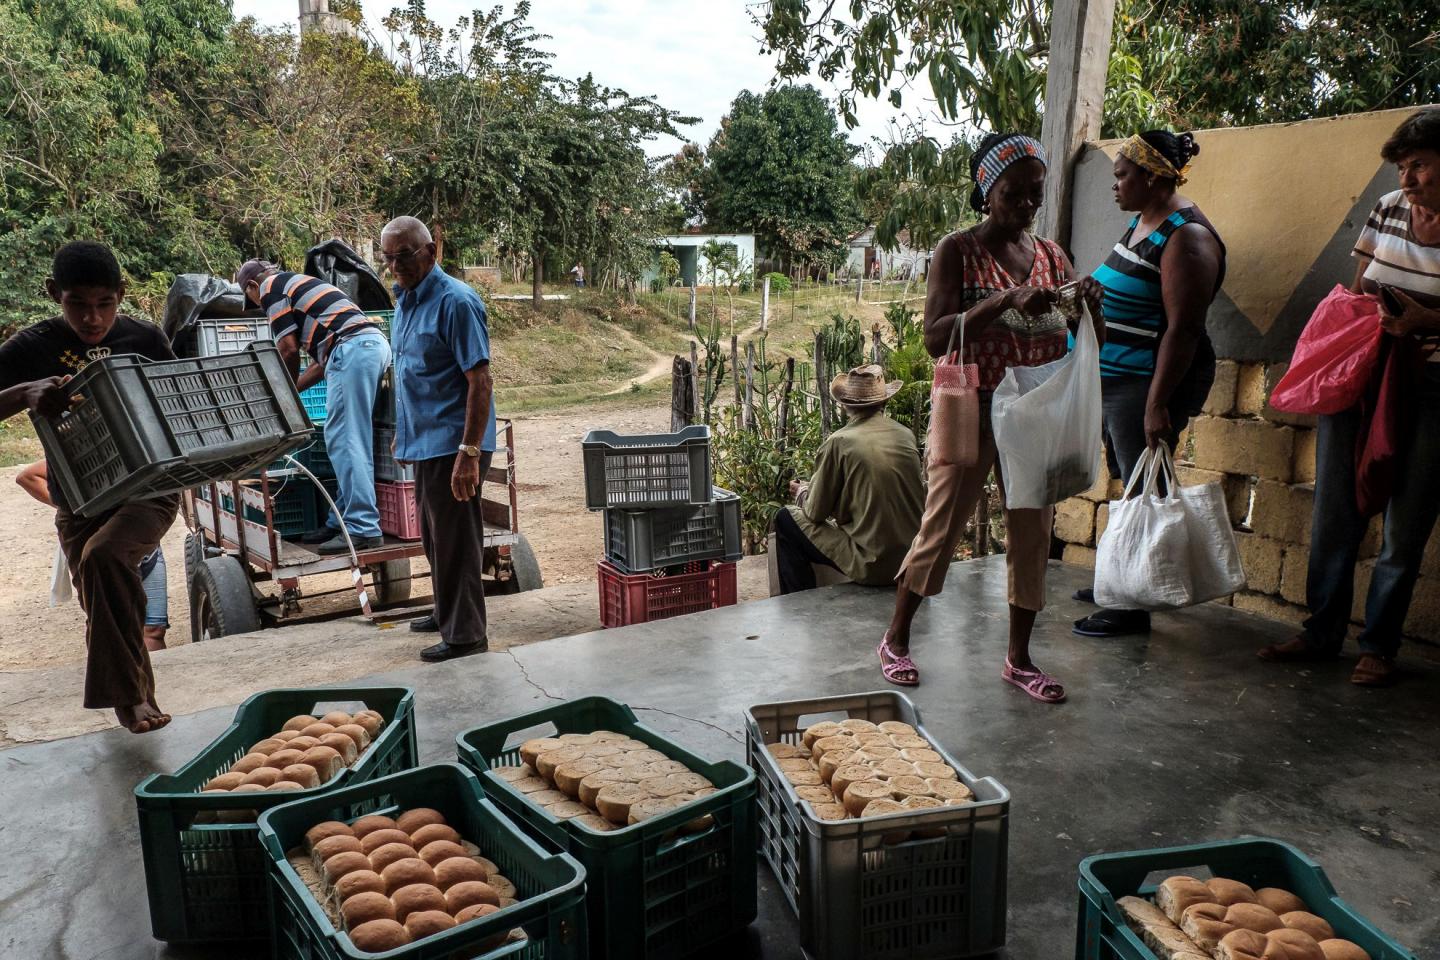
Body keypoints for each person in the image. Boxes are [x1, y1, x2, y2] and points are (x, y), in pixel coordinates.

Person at [877, 133, 1104, 703]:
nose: (1027, 205)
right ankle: (895, 638)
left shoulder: (1050, 256)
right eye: (1014, 193)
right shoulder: (958, 250)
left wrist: (1085, 304)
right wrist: (1003, 302)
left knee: (1031, 534)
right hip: (973, 409)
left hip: (1033, 418)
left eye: (1035, 193)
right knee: (943, 526)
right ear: (986, 189)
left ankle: (1019, 659)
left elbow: (1068, 329)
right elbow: (934, 337)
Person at [1258, 108, 1440, 686]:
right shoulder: (1386, 211)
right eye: (1403, 167)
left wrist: (1425, 321)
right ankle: (1321, 631)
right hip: (1364, 378)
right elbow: (1358, 293)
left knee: (1407, 517)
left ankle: (1379, 644)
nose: (1407, 180)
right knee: (1334, 503)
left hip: (1433, 388)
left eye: (1419, 166)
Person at [0, 241, 177, 733]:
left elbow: (176, 406)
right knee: (103, 600)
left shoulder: (146, 338)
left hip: (148, 488)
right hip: (77, 497)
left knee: (106, 556)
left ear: (121, 294)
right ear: (54, 294)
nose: (92, 317)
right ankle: (141, 698)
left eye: (104, 303)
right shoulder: (32, 347)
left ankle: (128, 701)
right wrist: (23, 392)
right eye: (77, 303)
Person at [1072, 130, 1227, 638]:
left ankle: (1131, 604)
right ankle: (1120, 581)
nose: (1114, 185)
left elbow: (1183, 329)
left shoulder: (1188, 237)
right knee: (1127, 475)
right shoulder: (1144, 221)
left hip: (1145, 380)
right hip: (1118, 375)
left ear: (1154, 178)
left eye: (1122, 175)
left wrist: (1157, 403)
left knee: (1144, 485)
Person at [382, 216, 497, 662]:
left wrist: (469, 451)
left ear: (432, 251)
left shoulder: (456, 301)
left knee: (454, 540)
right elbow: (412, 374)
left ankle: (466, 635)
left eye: (404, 256)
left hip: (455, 443)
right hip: (426, 441)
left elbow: (480, 381)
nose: (395, 266)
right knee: (433, 536)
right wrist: (402, 436)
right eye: (388, 258)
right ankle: (446, 610)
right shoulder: (406, 301)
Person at [235, 260, 391, 554]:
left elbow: (288, 348)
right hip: (368, 347)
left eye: (251, 299)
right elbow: (321, 366)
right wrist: (290, 393)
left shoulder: (271, 288)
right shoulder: (298, 284)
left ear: (253, 286)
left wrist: (281, 394)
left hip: (353, 349)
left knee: (345, 440)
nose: (258, 305)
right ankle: (341, 521)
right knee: (349, 439)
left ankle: (362, 527)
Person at [774, 364, 925, 594]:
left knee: (785, 518)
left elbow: (815, 512)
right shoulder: (905, 434)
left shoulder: (839, 441)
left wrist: (803, 492)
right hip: (912, 561)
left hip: (874, 565)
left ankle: (797, 602)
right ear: (884, 401)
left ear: (845, 405)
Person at [17, 460, 169, 651]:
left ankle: (157, 676)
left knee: (153, 630)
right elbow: (28, 477)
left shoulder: (133, 450)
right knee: (110, 629)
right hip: (101, 552)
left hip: (144, 549)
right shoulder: (81, 457)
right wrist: (73, 509)